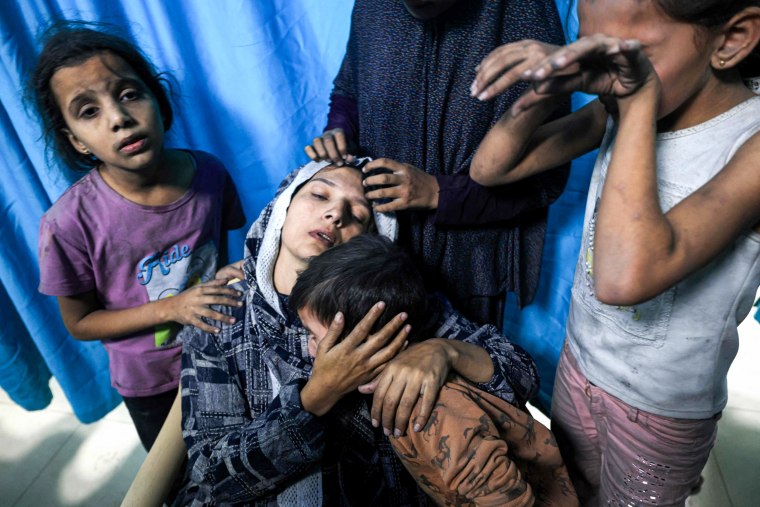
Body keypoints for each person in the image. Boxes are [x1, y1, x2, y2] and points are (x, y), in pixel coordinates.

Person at [468, 0, 760, 504]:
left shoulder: (748, 145)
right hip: (580, 364)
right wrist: (546, 88)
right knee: (570, 491)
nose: (605, 70)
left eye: (629, 54)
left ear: (732, 40)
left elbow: (624, 280)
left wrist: (639, 100)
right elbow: (491, 169)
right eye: (588, 46)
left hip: (662, 411)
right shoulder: (618, 106)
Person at [175, 159, 540, 505]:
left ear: (371, 242)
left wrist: (444, 352)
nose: (336, 214)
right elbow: (212, 477)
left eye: (359, 215)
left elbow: (521, 374)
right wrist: (318, 394)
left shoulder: (395, 306)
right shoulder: (223, 315)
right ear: (281, 208)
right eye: (319, 195)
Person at [32, 23, 246, 451]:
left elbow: (217, 264)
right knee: (180, 477)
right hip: (151, 384)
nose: (118, 118)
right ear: (76, 141)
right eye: (88, 111)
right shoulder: (68, 224)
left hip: (220, 352)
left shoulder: (209, 173)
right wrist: (175, 306)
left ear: (157, 99)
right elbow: (79, 323)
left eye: (129, 94)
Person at [304, 0, 570, 328]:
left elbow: (545, 177)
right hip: (369, 246)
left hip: (468, 260)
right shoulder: (371, 6)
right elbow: (349, 88)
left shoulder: (522, 9)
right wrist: (339, 129)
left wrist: (438, 193)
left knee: (452, 365)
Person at [289, 233, 579, 507]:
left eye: (316, 336)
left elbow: (508, 499)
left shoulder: (429, 411)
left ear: (373, 344)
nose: (309, 347)